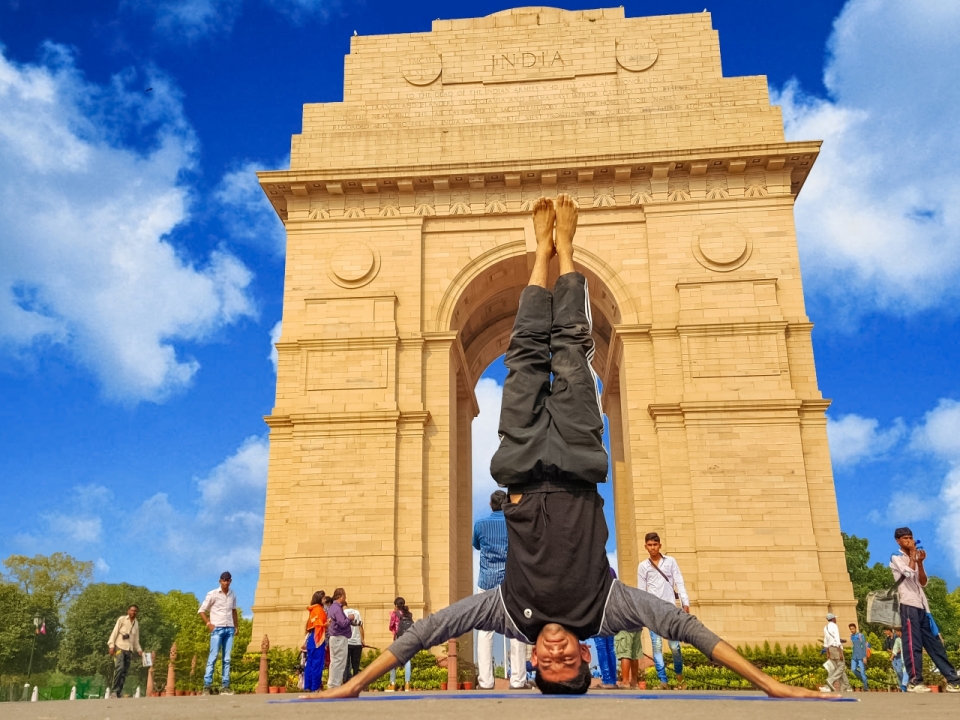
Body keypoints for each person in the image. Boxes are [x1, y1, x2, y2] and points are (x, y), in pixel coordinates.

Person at [309, 195, 832, 700]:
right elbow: (683, 626)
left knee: (524, 355)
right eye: (569, 661)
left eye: (549, 664)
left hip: (518, 464)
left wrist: (354, 684)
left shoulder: (507, 614)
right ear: (585, 654)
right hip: (579, 457)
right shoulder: (607, 610)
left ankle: (540, 253)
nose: (557, 652)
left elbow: (425, 633)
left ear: (532, 661)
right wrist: (772, 683)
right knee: (573, 349)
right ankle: (566, 248)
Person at [890, 527, 960, 692]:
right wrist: (913, 556)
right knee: (913, 644)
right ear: (898, 541)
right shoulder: (896, 556)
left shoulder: (913, 557)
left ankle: (953, 680)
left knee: (935, 644)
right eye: (905, 538)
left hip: (922, 606)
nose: (909, 541)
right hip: (908, 605)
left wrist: (920, 563)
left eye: (910, 538)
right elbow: (907, 574)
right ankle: (915, 681)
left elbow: (922, 582)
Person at [473, 489, 527, 690]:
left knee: (485, 632)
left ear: (490, 505)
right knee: (516, 630)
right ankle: (518, 680)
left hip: (486, 582)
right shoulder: (515, 525)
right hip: (512, 583)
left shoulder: (480, 525)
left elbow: (476, 545)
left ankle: (486, 682)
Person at [638, 532, 689, 689]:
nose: (653, 548)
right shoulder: (643, 566)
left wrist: (685, 602)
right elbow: (642, 591)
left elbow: (679, 582)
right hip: (653, 612)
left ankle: (680, 678)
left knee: (674, 646)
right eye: (650, 545)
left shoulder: (670, 562)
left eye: (655, 544)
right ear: (645, 546)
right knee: (657, 646)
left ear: (660, 545)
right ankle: (663, 681)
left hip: (670, 610)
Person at [198, 571, 238, 696]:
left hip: (229, 628)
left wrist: (236, 626)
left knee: (227, 658)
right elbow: (201, 610)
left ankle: (225, 686)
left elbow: (234, 611)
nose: (225, 582)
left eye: (227, 580)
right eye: (223, 580)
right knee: (213, 656)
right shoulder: (213, 594)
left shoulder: (232, 594)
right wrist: (208, 624)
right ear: (220, 581)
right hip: (217, 628)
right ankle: (207, 685)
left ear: (230, 581)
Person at [592, 567, 619, 690]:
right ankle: (612, 679)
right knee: (610, 647)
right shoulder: (611, 570)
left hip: (598, 613)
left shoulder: (591, 571)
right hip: (611, 612)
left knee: (601, 647)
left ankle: (607, 680)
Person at [107, 605, 143, 698]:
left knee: (124, 671)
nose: (133, 612)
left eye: (135, 611)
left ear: (137, 613)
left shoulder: (136, 623)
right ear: (128, 611)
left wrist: (139, 650)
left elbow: (136, 639)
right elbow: (114, 632)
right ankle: (114, 691)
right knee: (119, 668)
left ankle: (119, 692)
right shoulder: (122, 619)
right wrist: (111, 646)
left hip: (129, 650)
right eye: (132, 610)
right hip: (120, 647)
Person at [326, 588, 354, 689]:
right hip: (339, 637)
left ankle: (333, 684)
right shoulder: (337, 608)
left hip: (334, 637)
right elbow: (342, 623)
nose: (345, 597)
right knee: (339, 662)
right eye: (344, 595)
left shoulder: (332, 607)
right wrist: (349, 618)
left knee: (334, 662)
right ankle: (335, 685)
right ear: (340, 596)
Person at [303, 591, 328, 692]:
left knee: (310, 664)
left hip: (311, 639)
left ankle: (308, 686)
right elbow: (319, 624)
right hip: (318, 639)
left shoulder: (312, 610)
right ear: (319, 599)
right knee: (317, 664)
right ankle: (315, 687)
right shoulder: (319, 609)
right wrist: (326, 625)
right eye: (323, 598)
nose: (325, 600)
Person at [387, 597, 414, 691]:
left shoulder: (395, 614)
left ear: (396, 605)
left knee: (393, 660)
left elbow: (391, 627)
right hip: (408, 639)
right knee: (407, 660)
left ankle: (392, 683)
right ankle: (407, 684)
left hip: (398, 639)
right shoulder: (409, 614)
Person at [820, 613, 851, 693]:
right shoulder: (834, 626)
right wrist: (840, 652)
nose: (836, 619)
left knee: (837, 669)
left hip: (830, 649)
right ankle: (830, 680)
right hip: (836, 649)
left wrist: (828, 653)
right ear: (833, 619)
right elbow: (837, 639)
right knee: (841, 667)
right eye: (835, 618)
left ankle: (847, 687)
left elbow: (825, 641)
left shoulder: (825, 627)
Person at [342, 602, 364, 683]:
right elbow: (361, 626)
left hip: (347, 642)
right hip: (357, 642)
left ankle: (345, 682)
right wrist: (362, 639)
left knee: (346, 664)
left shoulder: (342, 613)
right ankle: (356, 682)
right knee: (356, 664)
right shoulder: (357, 612)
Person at [848, 623, 868, 691]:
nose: (852, 630)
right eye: (850, 629)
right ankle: (864, 679)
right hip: (854, 656)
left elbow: (864, 646)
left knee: (862, 672)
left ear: (855, 628)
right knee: (853, 670)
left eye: (853, 628)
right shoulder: (851, 636)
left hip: (861, 656)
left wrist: (864, 657)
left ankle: (865, 687)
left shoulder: (860, 635)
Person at [892, 628, 908, 692]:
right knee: (905, 671)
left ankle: (904, 685)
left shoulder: (907, 638)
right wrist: (892, 657)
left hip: (909, 658)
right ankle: (904, 686)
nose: (896, 633)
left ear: (900, 631)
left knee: (906, 671)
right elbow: (895, 648)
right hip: (903, 659)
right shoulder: (898, 640)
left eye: (896, 632)